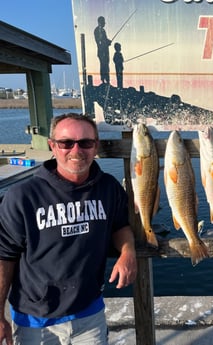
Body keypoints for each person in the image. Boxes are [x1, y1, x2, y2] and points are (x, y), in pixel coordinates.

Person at [0, 113, 137, 344]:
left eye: (85, 142)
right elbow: (4, 256)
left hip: (89, 313)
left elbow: (120, 226)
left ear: (95, 147)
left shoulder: (108, 187)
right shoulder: (22, 197)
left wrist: (128, 251)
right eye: (66, 143)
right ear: (53, 146)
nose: (76, 150)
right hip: (35, 320)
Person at [94, 16, 112, 84]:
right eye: (103, 22)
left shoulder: (103, 30)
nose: (105, 23)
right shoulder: (97, 30)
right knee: (103, 66)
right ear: (100, 22)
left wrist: (108, 42)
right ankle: (103, 80)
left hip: (105, 51)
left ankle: (107, 80)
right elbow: (99, 42)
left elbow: (105, 39)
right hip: (102, 52)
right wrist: (106, 43)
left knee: (106, 65)